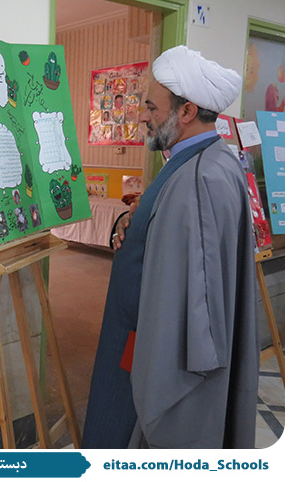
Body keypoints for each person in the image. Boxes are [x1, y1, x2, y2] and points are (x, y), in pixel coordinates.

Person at [82, 46, 258, 449]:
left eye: (150, 107)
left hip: (154, 358)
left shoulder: (202, 178)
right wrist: (132, 225)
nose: (142, 117)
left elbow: (195, 315)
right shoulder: (195, 163)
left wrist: (158, 382)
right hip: (135, 340)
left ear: (187, 111)